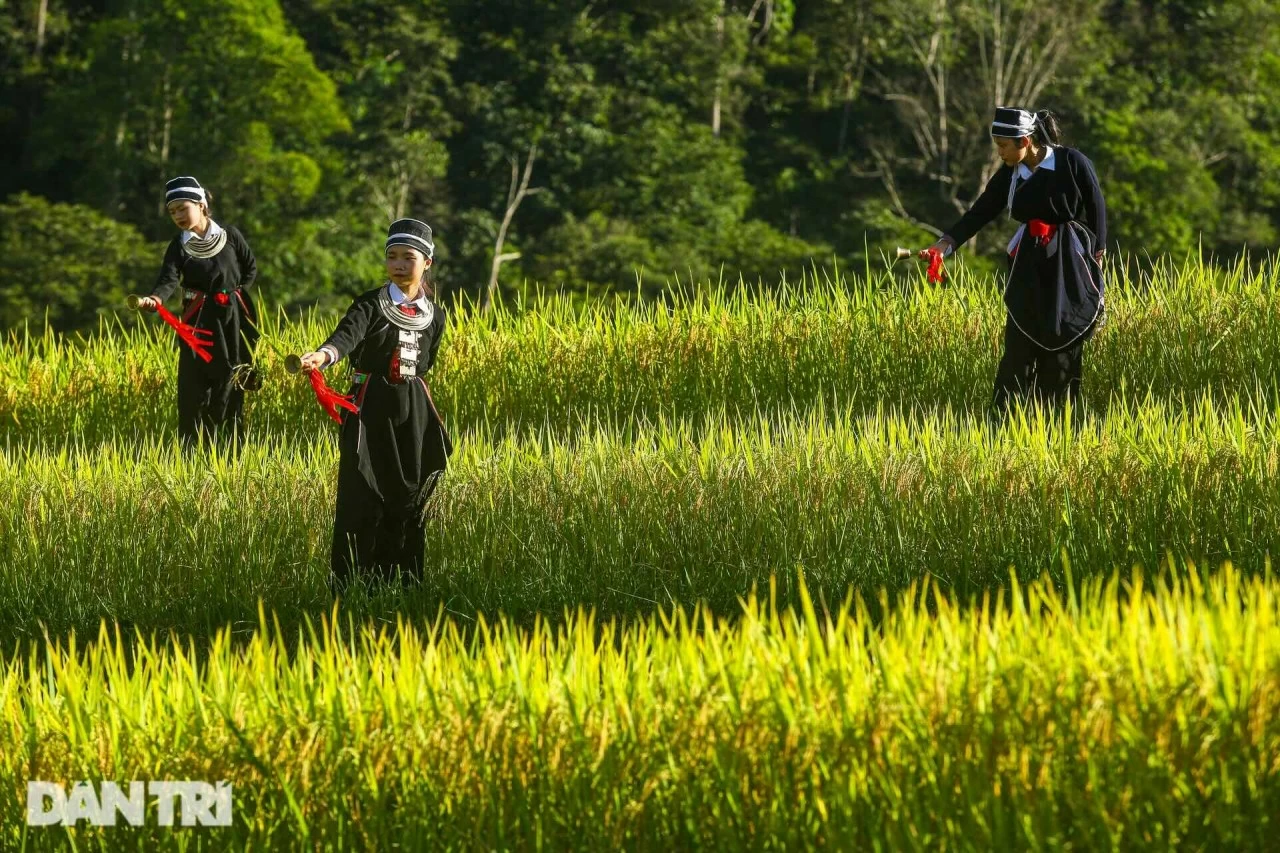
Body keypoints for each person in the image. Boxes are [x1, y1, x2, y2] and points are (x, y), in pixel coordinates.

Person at [296, 219, 452, 588]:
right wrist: (322, 356)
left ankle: (403, 584)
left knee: (410, 496)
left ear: (427, 262)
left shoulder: (436, 315)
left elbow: (427, 364)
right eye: (392, 256)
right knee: (362, 493)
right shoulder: (370, 304)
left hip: (413, 410)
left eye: (408, 257)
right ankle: (352, 586)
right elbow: (345, 337)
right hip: (369, 408)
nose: (398, 264)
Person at [924, 107, 1107, 419]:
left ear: (1025, 141)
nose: (1000, 153)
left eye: (1004, 146)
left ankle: (1058, 422)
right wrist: (946, 244)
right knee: (1020, 340)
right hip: (1029, 261)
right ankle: (1005, 421)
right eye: (997, 145)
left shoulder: (1071, 162)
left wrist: (1096, 258)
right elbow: (980, 212)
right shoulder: (1011, 174)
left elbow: (1096, 206)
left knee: (1063, 337)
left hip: (1069, 260)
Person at [136, 176, 261, 448]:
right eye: (172, 211)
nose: (178, 215)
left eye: (183, 208)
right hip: (199, 324)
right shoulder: (178, 245)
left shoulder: (230, 235)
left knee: (233, 378)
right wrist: (155, 299)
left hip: (233, 321)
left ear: (201, 204)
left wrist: (235, 296)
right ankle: (193, 453)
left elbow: (249, 268)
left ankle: (231, 452)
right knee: (195, 387)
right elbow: (168, 279)